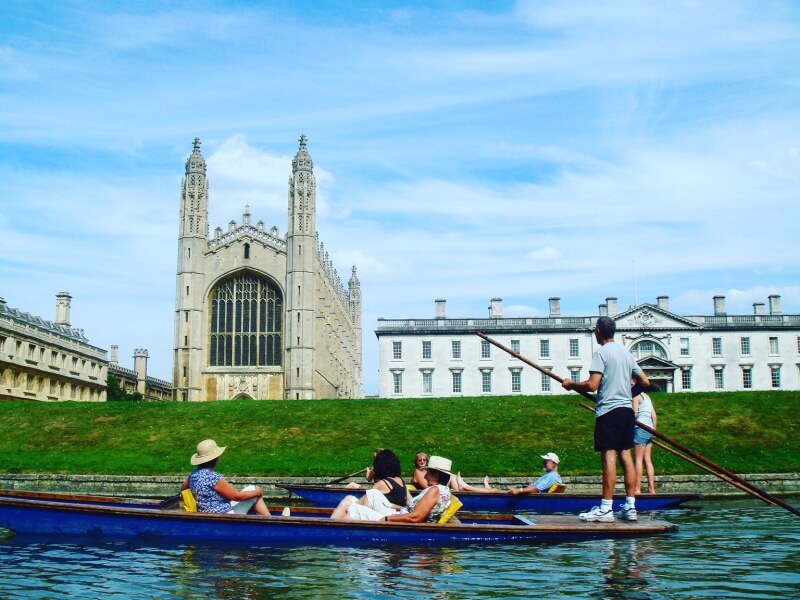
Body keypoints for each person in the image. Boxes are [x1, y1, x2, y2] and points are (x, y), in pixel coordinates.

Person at [562, 316, 650, 522]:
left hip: (609, 411)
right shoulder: (625, 354)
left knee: (608, 457)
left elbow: (592, 385)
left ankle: (606, 509)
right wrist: (629, 393)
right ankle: (630, 506)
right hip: (627, 411)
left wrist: (571, 384)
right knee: (625, 456)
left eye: (595, 330)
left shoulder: (601, 353)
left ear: (599, 332)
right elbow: (645, 381)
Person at [181, 439, 271, 516]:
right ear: (215, 459)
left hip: (205, 513)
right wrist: (257, 492)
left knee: (251, 489)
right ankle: (270, 522)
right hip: (224, 515)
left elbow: (183, 488)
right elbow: (237, 496)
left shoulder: (193, 476)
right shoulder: (214, 478)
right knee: (254, 490)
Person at [331, 449, 412, 520]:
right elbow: (410, 501)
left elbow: (366, 499)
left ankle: (331, 527)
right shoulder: (401, 481)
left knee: (347, 505)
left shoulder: (382, 484)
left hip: (385, 513)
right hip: (393, 511)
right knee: (348, 499)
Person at [384, 455, 455, 524]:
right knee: (374, 494)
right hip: (400, 516)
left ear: (436, 476)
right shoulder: (444, 490)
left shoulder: (435, 490)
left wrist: (387, 518)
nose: (425, 476)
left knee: (374, 495)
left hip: (401, 522)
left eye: (428, 473)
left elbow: (415, 517)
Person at [455, 452, 562, 495]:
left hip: (525, 496)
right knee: (493, 491)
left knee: (495, 491)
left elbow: (536, 489)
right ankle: (484, 485)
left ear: (554, 463)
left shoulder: (551, 476)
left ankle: (465, 487)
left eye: (546, 462)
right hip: (527, 495)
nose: (544, 464)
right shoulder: (553, 476)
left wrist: (519, 490)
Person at [633, 383, 658, 494]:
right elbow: (654, 416)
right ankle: (651, 489)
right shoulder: (647, 397)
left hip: (640, 428)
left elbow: (634, 414)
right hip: (650, 429)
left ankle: (637, 489)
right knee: (647, 460)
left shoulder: (635, 396)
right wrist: (654, 432)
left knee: (638, 459)